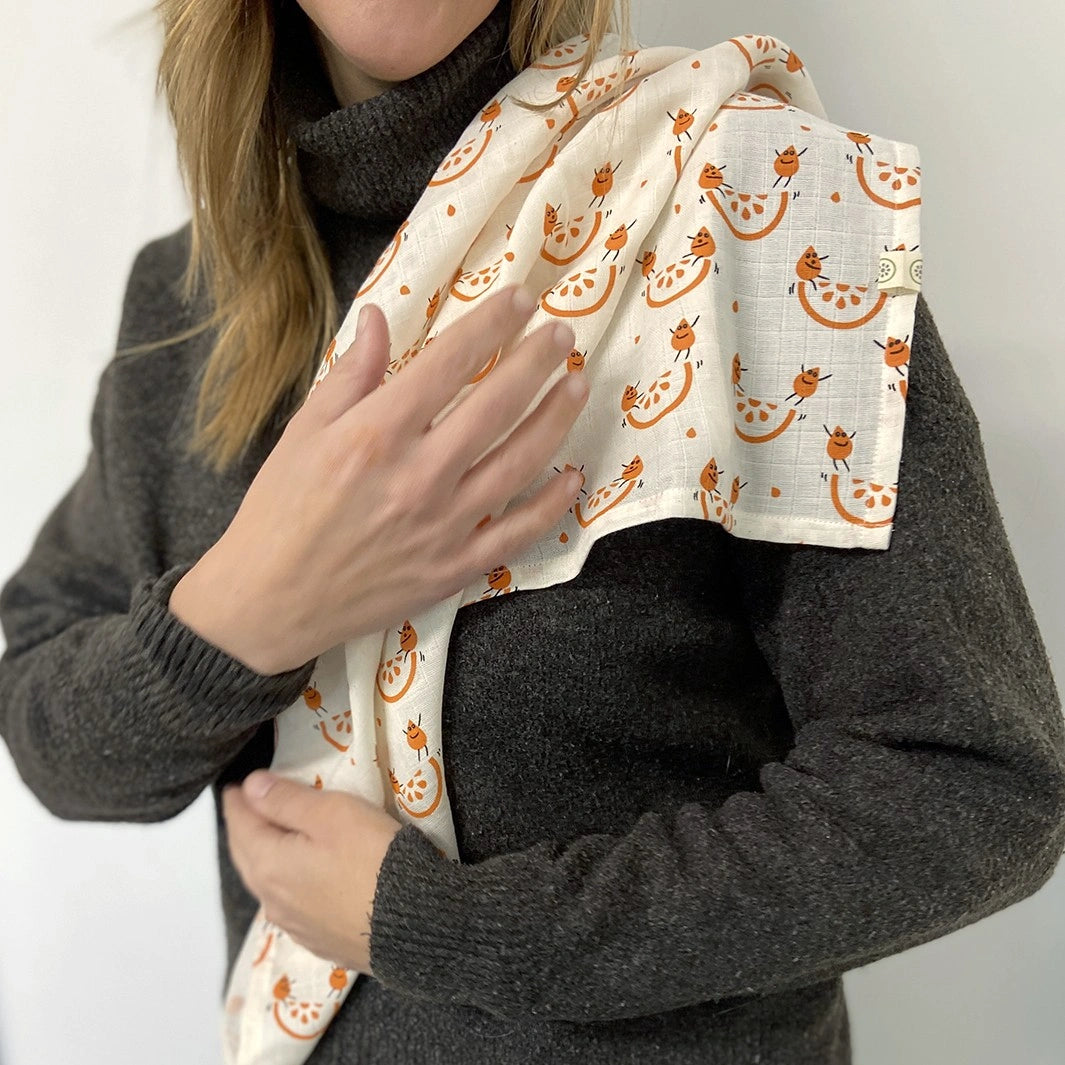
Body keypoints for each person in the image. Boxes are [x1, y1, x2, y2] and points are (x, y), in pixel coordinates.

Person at [2, 1, 1064, 1062]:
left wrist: (460, 932)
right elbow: (57, 736)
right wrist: (246, 611)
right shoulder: (193, 296)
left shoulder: (757, 198)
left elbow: (971, 784)